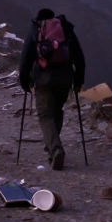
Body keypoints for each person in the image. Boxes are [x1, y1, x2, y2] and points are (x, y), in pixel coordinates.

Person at [18, 9, 85, 170]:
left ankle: (55, 149)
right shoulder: (65, 29)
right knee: (57, 111)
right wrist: (78, 82)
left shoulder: (36, 28)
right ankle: (53, 147)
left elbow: (26, 57)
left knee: (45, 115)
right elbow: (79, 57)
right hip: (65, 77)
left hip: (43, 78)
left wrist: (24, 81)